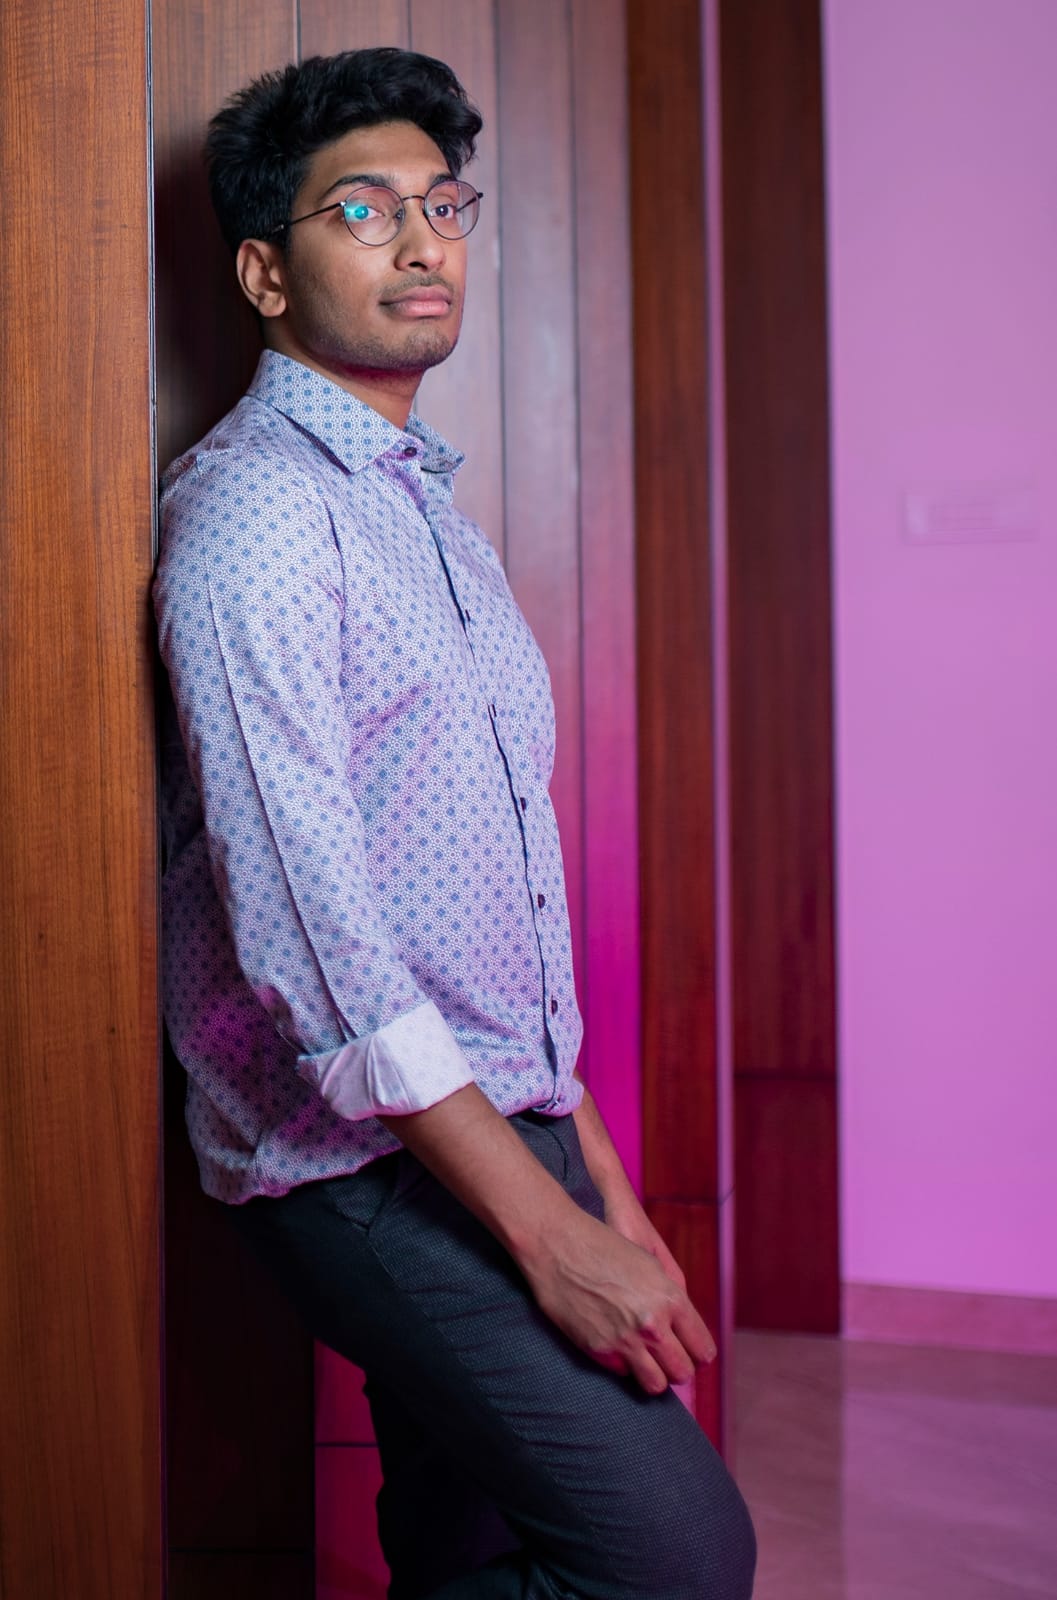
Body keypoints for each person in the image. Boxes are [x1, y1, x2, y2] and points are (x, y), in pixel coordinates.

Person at [154, 46, 756, 1600]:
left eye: (441, 205)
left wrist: (593, 1175)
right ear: (264, 274)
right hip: (355, 1155)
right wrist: (547, 1236)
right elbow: (312, 944)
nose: (423, 243)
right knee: (672, 1559)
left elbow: (506, 897)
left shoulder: (417, 505)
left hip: (500, 1112)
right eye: (363, 210)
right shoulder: (259, 514)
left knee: (475, 1542)